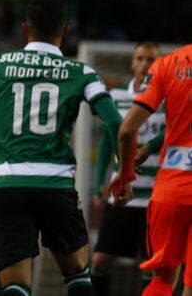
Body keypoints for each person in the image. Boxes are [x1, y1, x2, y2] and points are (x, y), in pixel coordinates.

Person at [0, 0, 123, 296]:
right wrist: (124, 171)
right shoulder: (82, 73)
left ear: (24, 27)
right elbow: (114, 124)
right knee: (77, 274)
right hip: (55, 185)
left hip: (7, 184)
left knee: (16, 284)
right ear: (66, 30)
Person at [110, 42, 192, 296]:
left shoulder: (168, 64)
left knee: (162, 281)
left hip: (171, 190)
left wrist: (125, 175)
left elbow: (126, 130)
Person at [91, 42, 164, 296]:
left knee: (152, 266)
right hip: (121, 195)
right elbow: (107, 140)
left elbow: (175, 132)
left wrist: (148, 148)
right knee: (100, 259)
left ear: (159, 64)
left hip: (155, 198)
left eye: (151, 59)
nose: (145, 64)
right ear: (132, 63)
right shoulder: (117, 96)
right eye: (141, 59)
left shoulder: (169, 98)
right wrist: (99, 180)